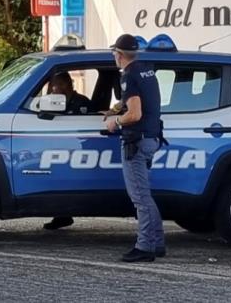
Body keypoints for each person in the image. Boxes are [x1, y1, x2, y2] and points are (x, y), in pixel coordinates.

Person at [105, 33, 166, 262]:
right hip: (151, 138)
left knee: (140, 197)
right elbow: (138, 100)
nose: (114, 56)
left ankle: (145, 247)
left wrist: (115, 121)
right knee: (145, 195)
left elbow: (135, 113)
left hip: (136, 142)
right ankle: (157, 243)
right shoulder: (146, 71)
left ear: (120, 55)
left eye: (114, 53)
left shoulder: (128, 76)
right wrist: (115, 108)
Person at [43, 72, 94, 230]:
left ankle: (64, 214)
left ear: (67, 84)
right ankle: (62, 215)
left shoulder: (82, 102)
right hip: (62, 147)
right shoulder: (54, 102)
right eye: (52, 86)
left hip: (81, 147)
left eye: (56, 85)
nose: (54, 89)